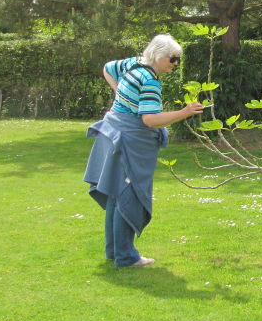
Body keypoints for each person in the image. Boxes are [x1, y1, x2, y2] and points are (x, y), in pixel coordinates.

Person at [83, 34, 203, 267]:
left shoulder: (134, 63)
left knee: (116, 193)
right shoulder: (149, 81)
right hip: (130, 141)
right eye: (173, 59)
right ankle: (126, 257)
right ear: (158, 56)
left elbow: (108, 68)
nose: (176, 64)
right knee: (130, 194)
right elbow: (150, 120)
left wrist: (120, 95)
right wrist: (185, 112)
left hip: (113, 132)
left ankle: (114, 251)